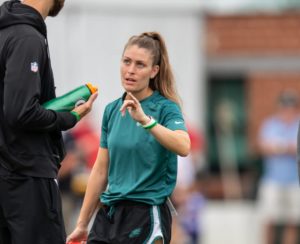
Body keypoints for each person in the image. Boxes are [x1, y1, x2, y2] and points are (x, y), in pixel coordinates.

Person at [67, 32, 191, 244]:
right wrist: (81, 224)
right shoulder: (111, 110)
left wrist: (146, 121)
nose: (131, 70)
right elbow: (100, 169)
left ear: (154, 71)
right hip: (109, 214)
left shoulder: (166, 108)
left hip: (146, 214)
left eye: (140, 64)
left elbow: (183, 145)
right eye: (127, 61)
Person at [0, 1, 98, 244]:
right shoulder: (26, 37)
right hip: (26, 177)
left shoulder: (7, 31)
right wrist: (70, 116)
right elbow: (21, 112)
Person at [257, 90, 300, 244]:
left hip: (295, 181)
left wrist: (277, 147)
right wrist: (286, 148)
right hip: (272, 179)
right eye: (284, 107)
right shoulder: (270, 123)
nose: (287, 111)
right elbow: (263, 147)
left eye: (290, 107)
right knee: (269, 219)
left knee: (293, 221)